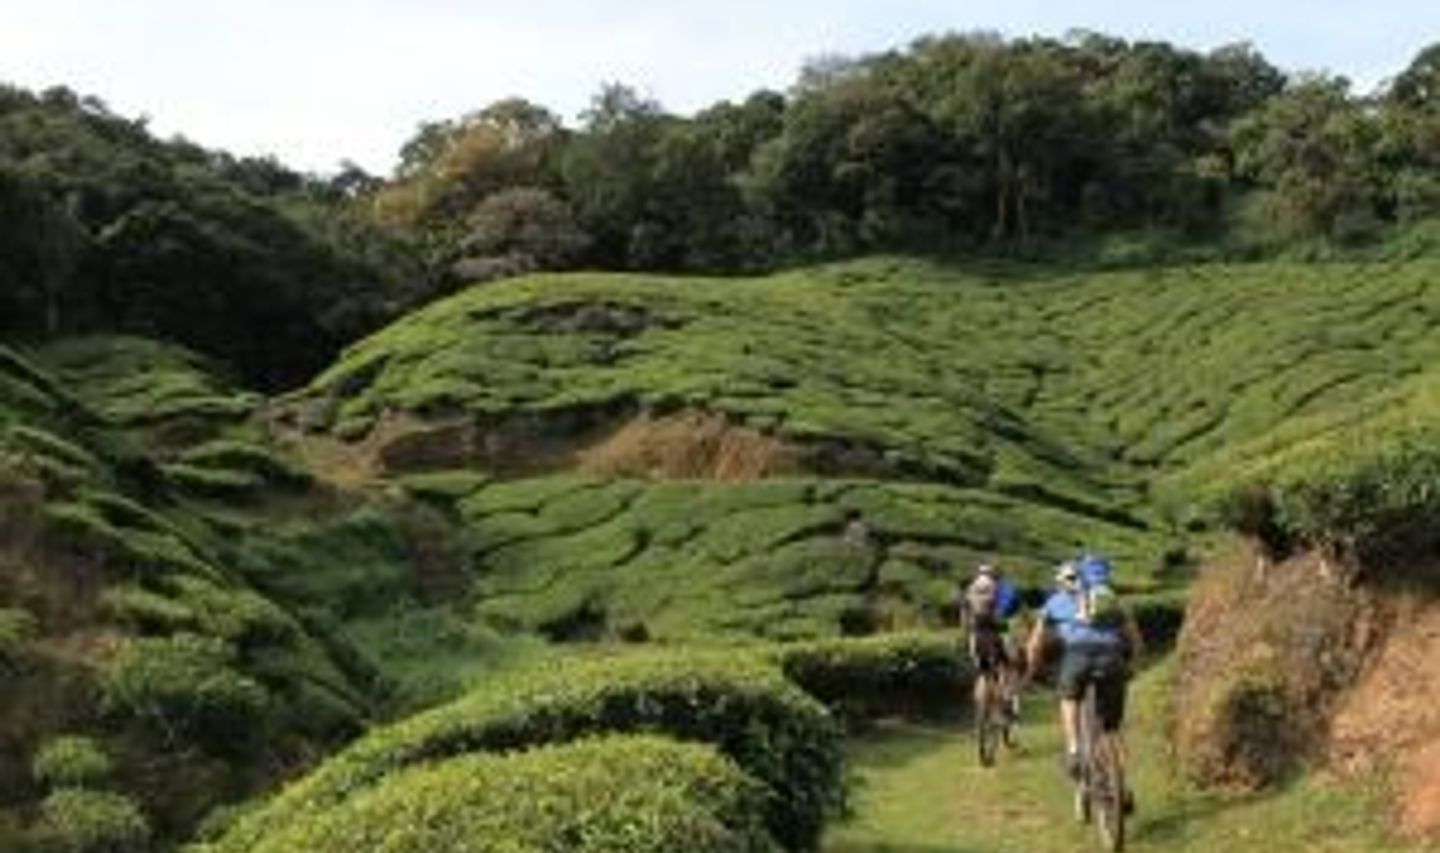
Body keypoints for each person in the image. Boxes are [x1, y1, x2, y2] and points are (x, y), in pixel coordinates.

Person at [1025, 556, 1143, 802]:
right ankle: (1124, 786)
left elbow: (1035, 643)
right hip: (1112, 659)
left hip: (1077, 657)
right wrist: (1132, 666)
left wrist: (1032, 668)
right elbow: (1135, 639)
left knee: (1068, 699)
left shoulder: (1056, 601)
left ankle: (1074, 749)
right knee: (1112, 728)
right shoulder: (1112, 599)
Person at [961, 562, 1024, 719]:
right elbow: (1016, 614)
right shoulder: (1007, 589)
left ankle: (980, 707)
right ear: (998, 575)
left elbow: (964, 615)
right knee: (1009, 667)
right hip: (1000, 634)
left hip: (976, 635)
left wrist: (967, 633)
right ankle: (1009, 702)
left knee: (982, 672)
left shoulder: (970, 589)